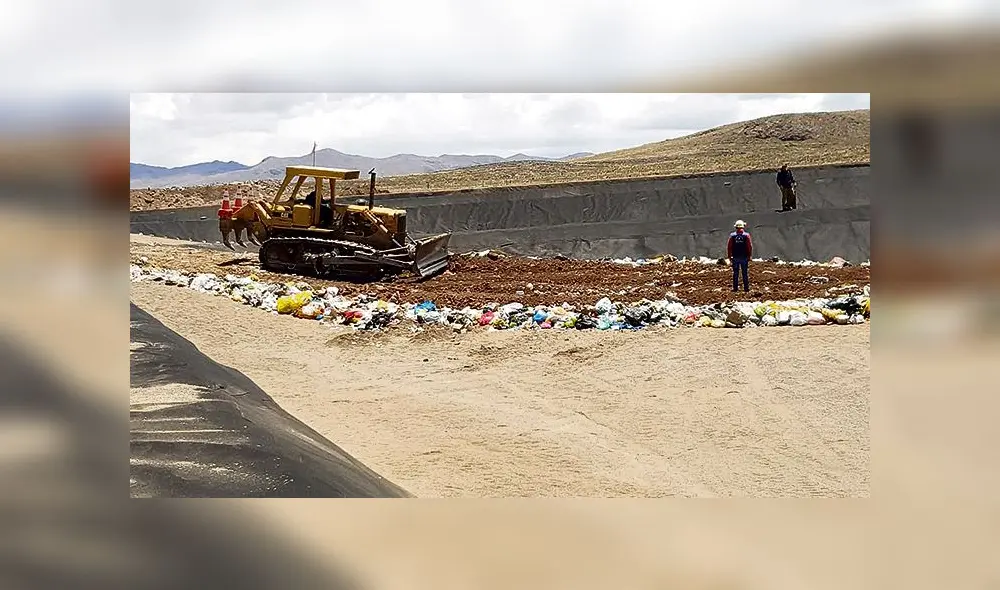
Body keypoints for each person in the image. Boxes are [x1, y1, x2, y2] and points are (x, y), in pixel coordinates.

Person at [727, 220, 753, 293]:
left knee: (735, 273)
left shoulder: (732, 236)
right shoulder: (746, 235)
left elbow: (729, 247)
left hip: (735, 257)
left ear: (736, 227)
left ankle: (735, 288)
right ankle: (746, 288)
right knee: (744, 273)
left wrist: (729, 256)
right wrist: (749, 255)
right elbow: (749, 246)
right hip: (744, 257)